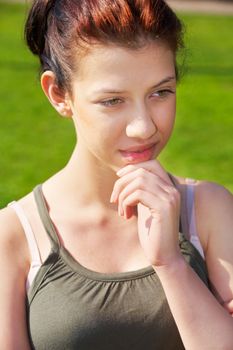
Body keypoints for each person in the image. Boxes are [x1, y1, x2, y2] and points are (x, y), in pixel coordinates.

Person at [0, 0, 233, 349]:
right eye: (112, 101)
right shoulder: (15, 236)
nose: (143, 127)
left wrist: (170, 263)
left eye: (160, 92)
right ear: (59, 94)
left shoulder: (210, 210)